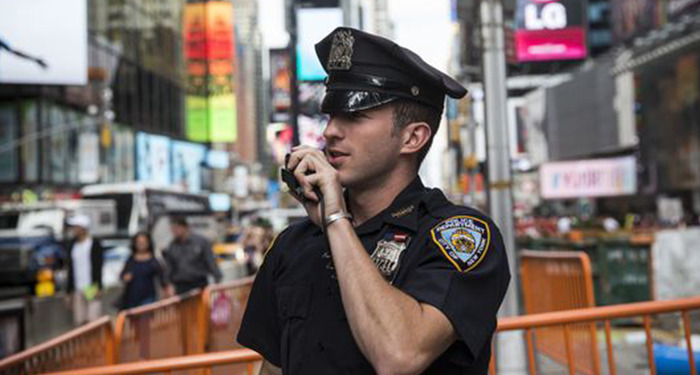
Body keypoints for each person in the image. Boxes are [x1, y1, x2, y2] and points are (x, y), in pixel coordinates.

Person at [237, 27, 511, 375]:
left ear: (412, 137)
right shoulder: (294, 243)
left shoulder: (460, 236)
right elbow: (273, 368)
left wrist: (336, 219)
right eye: (331, 115)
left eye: (354, 116)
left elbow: (399, 355)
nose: (330, 131)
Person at [162, 217, 222, 295]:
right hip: (181, 286)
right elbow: (169, 267)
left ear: (184, 227)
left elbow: (210, 261)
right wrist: (168, 283)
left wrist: (217, 279)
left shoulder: (201, 242)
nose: (174, 231)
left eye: (176, 228)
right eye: (172, 229)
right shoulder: (172, 246)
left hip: (199, 284)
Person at [64, 214, 103, 326]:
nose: (73, 230)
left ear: (83, 227)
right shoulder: (72, 245)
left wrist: (98, 286)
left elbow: (98, 266)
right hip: (78, 288)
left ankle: (95, 343)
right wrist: (68, 291)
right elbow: (71, 269)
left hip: (91, 287)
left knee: (93, 319)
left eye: (76, 227)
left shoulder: (94, 244)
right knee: (80, 320)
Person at [118, 232, 167, 309]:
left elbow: (162, 278)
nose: (141, 244)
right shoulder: (131, 260)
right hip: (131, 299)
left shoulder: (154, 260)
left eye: (144, 242)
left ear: (148, 243)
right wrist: (125, 277)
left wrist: (164, 293)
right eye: (139, 242)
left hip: (148, 298)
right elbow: (122, 275)